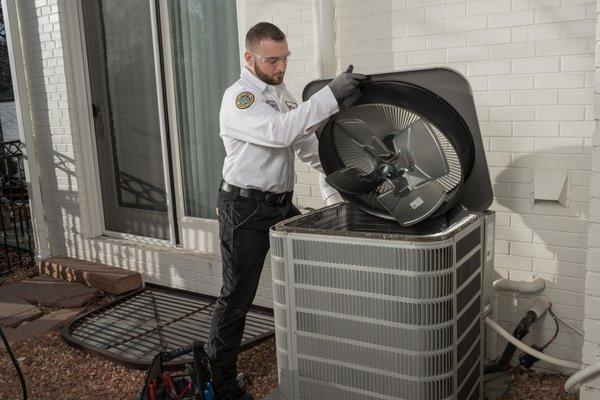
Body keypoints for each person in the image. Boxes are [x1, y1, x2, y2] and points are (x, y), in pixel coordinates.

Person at [206, 22, 365, 399]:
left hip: (279, 206)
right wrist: (329, 96)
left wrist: (340, 193)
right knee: (237, 297)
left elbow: (307, 145)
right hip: (243, 208)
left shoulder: (280, 94)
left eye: (284, 58)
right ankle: (221, 384)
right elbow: (279, 132)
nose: (280, 67)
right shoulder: (240, 97)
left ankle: (312, 360)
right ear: (250, 58)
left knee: (307, 278)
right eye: (271, 60)